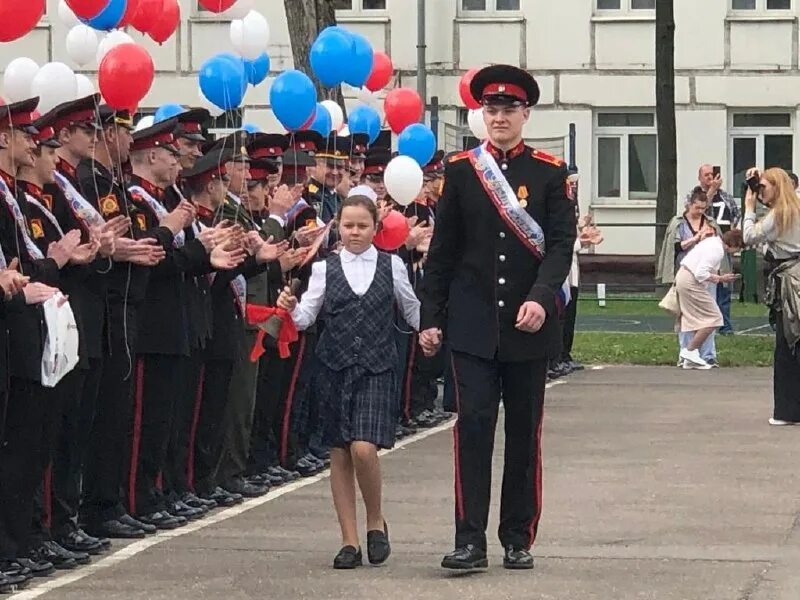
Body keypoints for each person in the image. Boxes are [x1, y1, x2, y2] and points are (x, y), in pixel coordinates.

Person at [418, 64, 577, 571]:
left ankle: (518, 536)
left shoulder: (551, 173)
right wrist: (431, 315)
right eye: (491, 109)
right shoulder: (463, 171)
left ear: (526, 113)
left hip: (529, 327)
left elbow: (559, 247)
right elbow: (442, 253)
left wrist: (543, 296)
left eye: (509, 109)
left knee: (524, 434)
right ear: (481, 114)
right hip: (473, 328)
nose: (500, 117)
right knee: (473, 430)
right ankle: (470, 540)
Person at [277, 195, 420, 569]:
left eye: (362, 225)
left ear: (376, 228)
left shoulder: (393, 265)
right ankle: (349, 540)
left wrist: (436, 326)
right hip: (334, 366)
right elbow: (307, 316)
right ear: (338, 227)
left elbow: (412, 309)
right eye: (348, 225)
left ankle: (375, 520)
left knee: (363, 448)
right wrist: (291, 309)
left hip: (376, 366)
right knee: (339, 453)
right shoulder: (325, 268)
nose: (355, 232)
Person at [741, 167, 800, 425]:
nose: (759, 191)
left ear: (777, 186)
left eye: (764, 187)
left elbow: (748, 236)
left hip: (789, 281)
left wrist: (749, 207)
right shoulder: (794, 208)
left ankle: (787, 411)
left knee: (787, 343)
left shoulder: (780, 214)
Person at [657, 187, 727, 366]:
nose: (700, 212)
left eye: (703, 208)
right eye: (697, 208)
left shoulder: (710, 222)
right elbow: (676, 247)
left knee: (709, 313)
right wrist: (697, 238)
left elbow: (720, 247)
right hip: (687, 271)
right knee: (686, 315)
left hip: (707, 274)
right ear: (689, 205)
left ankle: (708, 354)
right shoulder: (679, 223)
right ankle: (685, 353)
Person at [675, 230, 743, 369]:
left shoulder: (712, 242)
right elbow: (700, 273)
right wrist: (720, 279)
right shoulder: (717, 250)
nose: (737, 251)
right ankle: (690, 351)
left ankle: (690, 360)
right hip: (691, 280)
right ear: (733, 244)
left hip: (684, 276)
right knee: (715, 318)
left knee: (694, 318)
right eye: (739, 248)